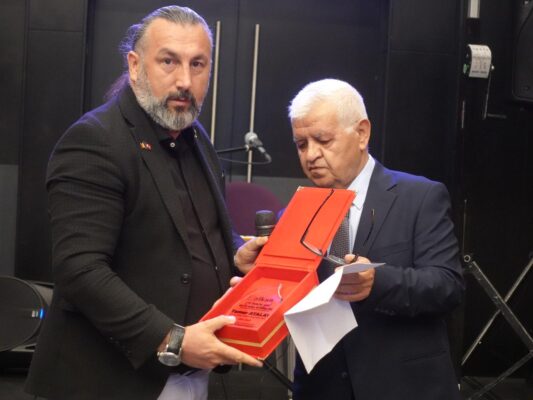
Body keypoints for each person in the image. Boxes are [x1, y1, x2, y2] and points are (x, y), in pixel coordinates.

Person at [25, 6, 264, 400]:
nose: (184, 80)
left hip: (190, 375)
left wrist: (235, 253)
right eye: (168, 61)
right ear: (135, 66)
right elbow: (80, 270)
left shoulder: (195, 137)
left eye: (198, 64)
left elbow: (193, 231)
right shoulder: (95, 140)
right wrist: (172, 340)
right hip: (109, 382)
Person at [286, 79, 464, 399]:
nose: (311, 155)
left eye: (323, 140)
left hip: (402, 386)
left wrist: (377, 282)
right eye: (301, 144)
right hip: (322, 388)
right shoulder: (296, 212)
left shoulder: (420, 197)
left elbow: (447, 285)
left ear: (362, 133)